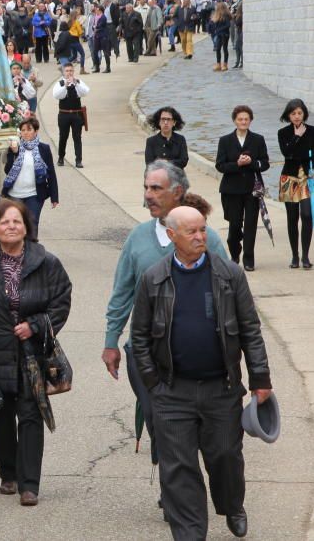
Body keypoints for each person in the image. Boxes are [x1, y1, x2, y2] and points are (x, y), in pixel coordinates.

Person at [131, 206, 272, 540]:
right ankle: (190, 532)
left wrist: (260, 379)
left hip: (221, 388)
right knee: (179, 468)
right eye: (192, 232)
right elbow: (139, 337)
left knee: (225, 456)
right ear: (171, 236)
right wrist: (154, 384)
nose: (201, 237)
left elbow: (250, 330)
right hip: (172, 390)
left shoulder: (229, 275)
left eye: (203, 230)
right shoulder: (153, 278)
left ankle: (231, 504)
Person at [102, 162, 228, 499]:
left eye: (156, 189)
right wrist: (111, 341)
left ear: (178, 193)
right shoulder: (138, 239)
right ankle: (174, 490)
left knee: (203, 432)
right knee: (161, 422)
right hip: (145, 355)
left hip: (198, 357)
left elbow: (230, 294)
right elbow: (121, 292)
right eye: (146, 187)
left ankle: (218, 488)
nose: (148, 195)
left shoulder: (209, 239)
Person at [0, 199, 71, 507]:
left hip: (31, 352)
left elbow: (61, 301)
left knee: (30, 414)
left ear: (27, 227)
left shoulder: (46, 261)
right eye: (4, 222)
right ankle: (8, 474)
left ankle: (30, 484)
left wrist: (37, 325)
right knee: (1, 417)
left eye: (17, 222)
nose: (11, 227)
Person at [216, 105, 270, 271]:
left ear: (251, 120)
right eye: (240, 119)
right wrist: (237, 164)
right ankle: (234, 252)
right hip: (231, 190)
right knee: (234, 226)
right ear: (234, 120)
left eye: (246, 119)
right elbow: (220, 165)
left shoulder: (258, 139)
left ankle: (248, 259)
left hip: (252, 189)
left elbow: (265, 163)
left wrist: (252, 163)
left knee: (251, 225)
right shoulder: (225, 140)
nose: (243, 122)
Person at [277, 99, 314, 268]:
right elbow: (286, 152)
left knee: (307, 215)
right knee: (292, 217)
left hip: (308, 177)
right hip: (289, 178)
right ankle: (295, 255)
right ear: (288, 115)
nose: (296, 116)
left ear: (304, 114)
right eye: (293, 113)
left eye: (299, 113)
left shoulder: (313, 131)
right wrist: (297, 137)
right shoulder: (283, 132)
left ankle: (306, 256)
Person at [3, 117, 59, 230]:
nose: (25, 133)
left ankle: (31, 248)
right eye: (23, 130)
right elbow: (7, 170)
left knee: (32, 223)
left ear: (36, 131)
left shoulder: (44, 148)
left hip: (35, 194)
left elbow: (51, 173)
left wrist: (54, 197)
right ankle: (20, 247)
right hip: (15, 194)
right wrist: (14, 153)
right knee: (17, 226)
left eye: (29, 130)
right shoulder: (15, 148)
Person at [52, 64, 89, 168]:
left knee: (77, 137)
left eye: (71, 71)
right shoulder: (59, 83)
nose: (69, 73)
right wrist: (65, 86)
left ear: (73, 71)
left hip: (76, 114)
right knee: (63, 137)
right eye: (67, 71)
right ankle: (61, 158)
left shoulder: (78, 82)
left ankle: (78, 160)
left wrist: (76, 84)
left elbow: (85, 92)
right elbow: (57, 95)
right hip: (64, 114)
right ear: (64, 72)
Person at [208, 2, 232, 72]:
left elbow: (228, 25)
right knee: (218, 49)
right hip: (219, 34)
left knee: (225, 48)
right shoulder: (217, 15)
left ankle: (225, 64)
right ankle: (218, 64)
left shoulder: (226, 15)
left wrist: (218, 29)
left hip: (224, 34)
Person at [90, 3, 112, 74]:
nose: (96, 10)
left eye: (97, 9)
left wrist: (95, 28)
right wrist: (94, 28)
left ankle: (108, 68)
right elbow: (94, 25)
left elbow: (99, 26)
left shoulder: (103, 17)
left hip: (103, 36)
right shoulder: (96, 16)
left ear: (100, 10)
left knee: (105, 52)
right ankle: (97, 67)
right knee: (95, 51)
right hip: (96, 36)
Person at [230, 0, 243, 68]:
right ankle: (238, 61)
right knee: (237, 45)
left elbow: (239, 21)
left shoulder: (240, 3)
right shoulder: (231, 2)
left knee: (239, 45)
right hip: (235, 26)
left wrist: (234, 16)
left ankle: (241, 62)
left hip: (239, 28)